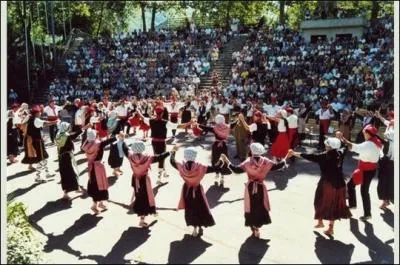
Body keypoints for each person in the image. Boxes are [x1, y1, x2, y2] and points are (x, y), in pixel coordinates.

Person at [220, 143, 288, 238]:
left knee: (250, 207)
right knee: (260, 206)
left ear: (252, 151)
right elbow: (278, 166)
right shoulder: (266, 161)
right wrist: (286, 158)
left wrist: (227, 161)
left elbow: (236, 170)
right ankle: (258, 226)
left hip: (250, 187)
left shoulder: (247, 162)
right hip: (260, 187)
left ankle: (254, 227)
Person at [288, 138, 352, 235]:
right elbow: (345, 147)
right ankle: (330, 228)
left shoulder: (324, 156)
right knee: (334, 205)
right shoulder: (341, 152)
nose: (325, 146)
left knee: (319, 201)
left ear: (330, 147)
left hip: (327, 184)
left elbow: (309, 156)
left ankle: (320, 222)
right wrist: (341, 139)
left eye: (327, 145)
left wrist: (293, 153)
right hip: (340, 184)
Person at [170, 146, 223, 237]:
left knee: (190, 208)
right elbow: (215, 168)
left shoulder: (181, 166)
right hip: (197, 190)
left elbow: (172, 162)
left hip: (187, 190)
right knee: (200, 207)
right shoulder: (200, 167)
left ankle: (194, 228)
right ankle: (199, 225)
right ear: (195, 156)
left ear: (185, 156)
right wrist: (221, 160)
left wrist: (173, 151)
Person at [341, 125, 383, 221]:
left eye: (364, 133)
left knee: (351, 185)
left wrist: (343, 139)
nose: (363, 134)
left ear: (368, 134)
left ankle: (352, 206)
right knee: (364, 191)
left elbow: (353, 147)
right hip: (371, 169)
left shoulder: (368, 144)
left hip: (364, 170)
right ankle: (367, 213)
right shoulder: (377, 142)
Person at [125, 140, 171, 227]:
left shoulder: (130, 156)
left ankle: (150, 212)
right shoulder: (147, 158)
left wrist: (121, 140)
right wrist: (171, 152)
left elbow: (125, 149)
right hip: (144, 180)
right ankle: (143, 219)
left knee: (139, 197)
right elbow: (160, 157)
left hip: (135, 179)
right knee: (146, 198)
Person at [137, 106, 187, 185]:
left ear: (155, 112)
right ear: (163, 113)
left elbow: (142, 117)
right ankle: (159, 179)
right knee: (161, 158)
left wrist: (138, 110)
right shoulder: (165, 122)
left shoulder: (151, 120)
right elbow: (178, 126)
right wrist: (189, 123)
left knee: (160, 157)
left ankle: (164, 173)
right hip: (161, 143)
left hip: (154, 142)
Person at [82, 129, 116, 214]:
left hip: (91, 166)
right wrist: (117, 137)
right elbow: (108, 141)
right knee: (99, 185)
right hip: (98, 168)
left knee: (95, 184)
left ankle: (100, 203)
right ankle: (94, 206)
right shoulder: (98, 144)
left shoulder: (86, 144)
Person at [21, 105, 58, 181]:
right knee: (41, 159)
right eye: (39, 112)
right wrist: (55, 122)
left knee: (43, 158)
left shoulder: (31, 118)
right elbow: (46, 123)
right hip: (37, 142)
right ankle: (38, 177)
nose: (41, 113)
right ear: (36, 113)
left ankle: (47, 174)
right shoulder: (36, 120)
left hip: (36, 141)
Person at [56, 122, 90, 200]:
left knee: (66, 174)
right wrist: (85, 127)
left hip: (62, 157)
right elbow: (74, 135)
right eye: (68, 127)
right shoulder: (65, 136)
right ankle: (68, 193)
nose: (69, 129)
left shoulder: (59, 134)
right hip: (67, 157)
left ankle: (74, 189)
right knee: (71, 174)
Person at [198, 114, 231, 187]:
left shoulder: (215, 128)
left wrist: (198, 124)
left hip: (216, 145)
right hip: (224, 145)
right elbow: (234, 124)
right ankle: (222, 178)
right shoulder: (227, 127)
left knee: (216, 160)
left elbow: (206, 128)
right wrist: (239, 119)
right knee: (224, 160)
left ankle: (216, 174)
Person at [375, 111, 394, 209]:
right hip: (385, 155)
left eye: (392, 118)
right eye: (390, 118)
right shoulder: (390, 124)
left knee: (386, 180)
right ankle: (386, 200)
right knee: (384, 179)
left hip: (391, 158)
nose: (390, 120)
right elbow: (384, 121)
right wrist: (379, 117)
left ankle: (386, 201)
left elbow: (390, 137)